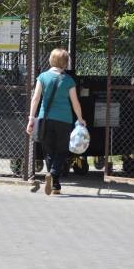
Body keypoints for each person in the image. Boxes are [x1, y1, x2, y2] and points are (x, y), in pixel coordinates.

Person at [26, 48, 86, 195]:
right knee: (62, 150)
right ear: (65, 63)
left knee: (49, 151)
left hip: (44, 119)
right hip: (64, 119)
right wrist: (80, 119)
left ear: (51, 60)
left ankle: (55, 183)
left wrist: (31, 119)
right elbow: (75, 103)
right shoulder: (68, 80)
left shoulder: (42, 77)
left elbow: (35, 99)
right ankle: (53, 177)